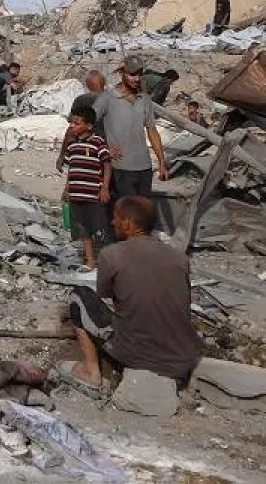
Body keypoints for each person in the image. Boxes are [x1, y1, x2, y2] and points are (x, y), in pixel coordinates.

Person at [60, 196, 202, 397]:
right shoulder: (179, 258)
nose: (112, 222)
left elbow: (106, 294)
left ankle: (91, 372)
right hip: (184, 357)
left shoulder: (112, 254)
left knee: (78, 296)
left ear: (127, 223)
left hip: (138, 356)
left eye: (116, 218)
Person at [95, 55, 169, 198]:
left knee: (143, 213)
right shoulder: (107, 98)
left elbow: (152, 131)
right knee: (127, 214)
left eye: (139, 74)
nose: (137, 79)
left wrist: (161, 162)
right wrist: (104, 150)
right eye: (132, 74)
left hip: (145, 168)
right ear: (122, 74)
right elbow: (88, 124)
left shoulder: (145, 99)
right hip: (120, 169)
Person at [57, 105, 112, 267]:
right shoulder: (72, 145)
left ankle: (106, 259)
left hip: (93, 194)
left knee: (99, 228)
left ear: (88, 126)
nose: (72, 127)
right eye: (71, 123)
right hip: (76, 194)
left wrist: (105, 187)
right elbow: (71, 168)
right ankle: (90, 261)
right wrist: (67, 188)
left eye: (76, 124)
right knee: (83, 228)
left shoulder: (97, 142)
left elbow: (107, 164)